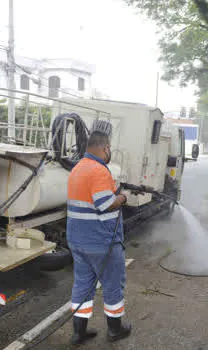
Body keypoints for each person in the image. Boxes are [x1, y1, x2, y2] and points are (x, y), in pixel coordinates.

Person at [66, 130, 131, 345]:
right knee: (113, 283)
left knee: (83, 284)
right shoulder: (99, 170)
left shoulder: (78, 168)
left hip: (78, 240)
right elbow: (105, 204)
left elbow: (90, 197)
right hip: (101, 242)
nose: (109, 152)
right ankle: (115, 330)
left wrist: (114, 192)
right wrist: (121, 198)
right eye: (109, 148)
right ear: (104, 148)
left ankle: (79, 333)